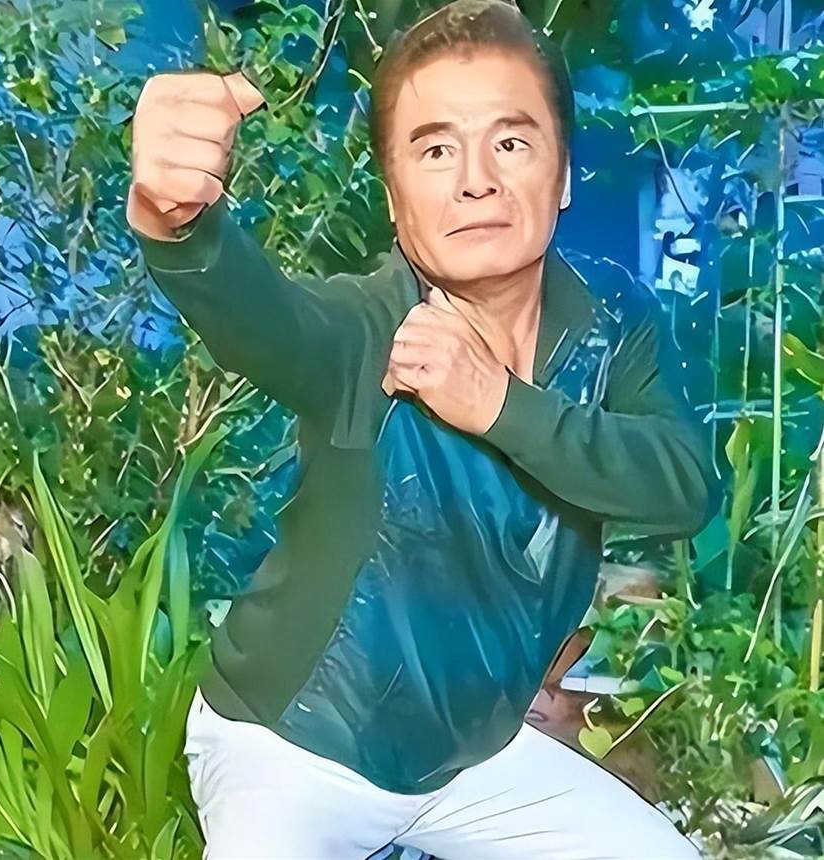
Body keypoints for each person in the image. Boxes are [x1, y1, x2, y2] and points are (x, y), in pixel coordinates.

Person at [126, 1, 723, 856]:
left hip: (472, 758)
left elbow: (682, 487)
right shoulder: (369, 330)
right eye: (436, 149)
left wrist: (499, 403)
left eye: (510, 142)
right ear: (395, 197)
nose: (476, 180)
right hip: (296, 751)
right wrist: (179, 223)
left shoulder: (610, 321)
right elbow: (267, 317)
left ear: (561, 175)